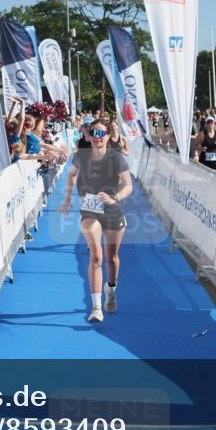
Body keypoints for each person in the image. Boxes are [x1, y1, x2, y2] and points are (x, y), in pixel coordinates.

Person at [60, 120, 133, 323]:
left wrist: (114, 198)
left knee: (112, 259)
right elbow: (71, 176)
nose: (98, 136)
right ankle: (96, 307)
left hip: (112, 209)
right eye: (93, 132)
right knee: (97, 257)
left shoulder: (116, 157)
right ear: (88, 135)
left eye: (102, 132)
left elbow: (128, 186)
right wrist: (67, 199)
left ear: (108, 136)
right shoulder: (81, 157)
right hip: (90, 211)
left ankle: (111, 289)